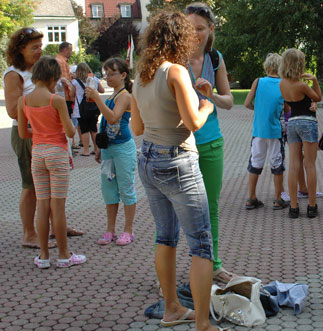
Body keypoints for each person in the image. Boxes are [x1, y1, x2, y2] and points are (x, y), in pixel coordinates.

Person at [131, 11, 226, 330]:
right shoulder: (175, 71)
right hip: (177, 160)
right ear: (179, 38)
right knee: (201, 244)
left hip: (147, 158)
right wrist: (207, 102)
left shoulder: (141, 73)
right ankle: (202, 323)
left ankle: (171, 307)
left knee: (166, 236)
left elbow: (137, 127)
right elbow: (194, 122)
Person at [16, 56, 86, 268]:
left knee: (42, 206)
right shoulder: (55, 100)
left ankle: (44, 256)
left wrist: (39, 130)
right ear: (53, 77)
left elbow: (22, 132)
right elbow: (70, 130)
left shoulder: (23, 101)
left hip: (38, 154)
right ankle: (64, 255)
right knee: (58, 206)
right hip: (57, 153)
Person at [184, 2, 235, 284]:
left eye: (200, 29)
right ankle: (169, 273)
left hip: (211, 141)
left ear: (210, 29)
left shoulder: (215, 58)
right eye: (189, 28)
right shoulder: (173, 59)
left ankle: (213, 264)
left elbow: (229, 101)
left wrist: (211, 95)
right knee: (176, 210)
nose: (194, 34)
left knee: (209, 207)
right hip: (179, 144)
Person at [4, 27, 63, 249]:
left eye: (41, 46)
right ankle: (29, 234)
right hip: (27, 134)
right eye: (34, 47)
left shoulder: (36, 71)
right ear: (20, 49)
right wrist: (41, 105)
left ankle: (57, 226)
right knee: (31, 185)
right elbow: (12, 110)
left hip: (45, 133)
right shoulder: (14, 74)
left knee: (49, 184)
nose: (40, 51)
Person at [85, 58, 136, 246]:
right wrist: (99, 148)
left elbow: (113, 118)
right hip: (109, 150)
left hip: (123, 149)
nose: (108, 77)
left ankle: (128, 230)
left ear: (123, 75)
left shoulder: (125, 96)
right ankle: (110, 230)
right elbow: (105, 122)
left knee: (126, 189)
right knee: (109, 190)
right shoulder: (112, 96)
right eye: (106, 74)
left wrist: (97, 99)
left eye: (111, 73)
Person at [279, 48, 322, 218]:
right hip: (308, 122)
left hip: (292, 123)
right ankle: (312, 205)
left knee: (294, 165)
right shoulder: (302, 85)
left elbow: (289, 105)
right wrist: (315, 81)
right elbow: (317, 97)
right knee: (309, 164)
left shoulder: (282, 84)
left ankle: (294, 207)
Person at [243, 53, 288, 210]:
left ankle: (251, 197)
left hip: (258, 130)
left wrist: (258, 110)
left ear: (266, 66)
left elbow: (247, 103)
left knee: (255, 163)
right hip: (275, 131)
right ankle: (277, 199)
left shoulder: (258, 82)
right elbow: (287, 108)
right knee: (277, 164)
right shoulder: (284, 84)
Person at [71, 63, 105, 156]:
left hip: (81, 109)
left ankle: (86, 151)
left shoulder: (75, 82)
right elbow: (102, 90)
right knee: (93, 128)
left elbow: (71, 94)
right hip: (93, 107)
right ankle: (96, 148)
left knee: (84, 129)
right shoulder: (94, 79)